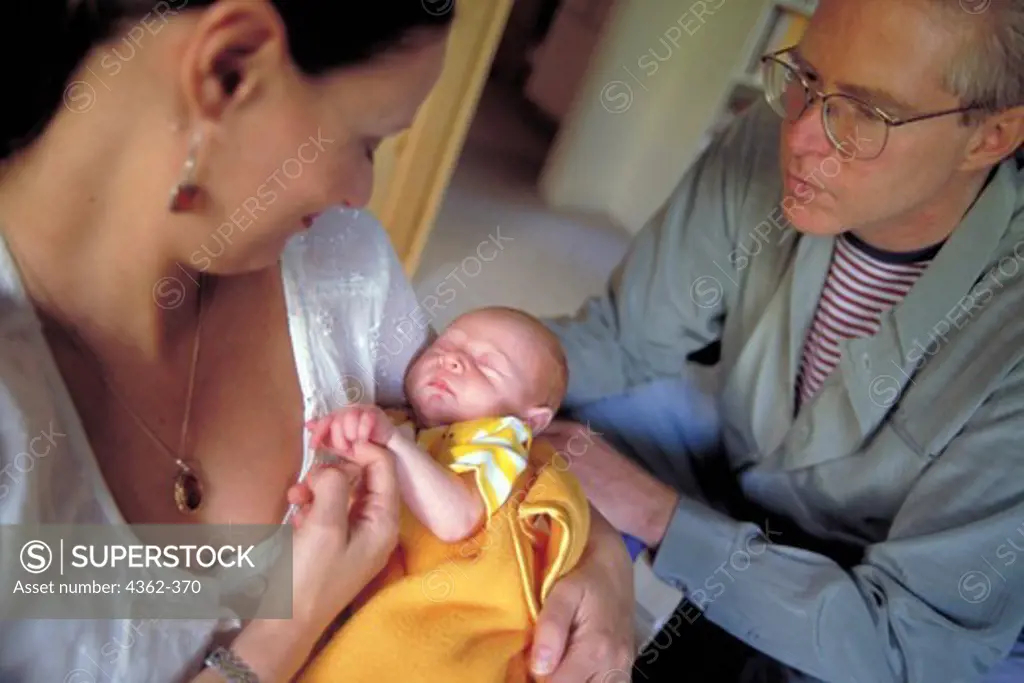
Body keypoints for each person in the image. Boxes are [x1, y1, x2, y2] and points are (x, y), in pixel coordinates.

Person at [0, 2, 634, 682]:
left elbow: (494, 452)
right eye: (365, 141)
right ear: (228, 69)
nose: (363, 194)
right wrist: (285, 629)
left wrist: (605, 564)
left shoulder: (343, 265)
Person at [543, 0, 1024, 681]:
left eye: (865, 111)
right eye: (804, 74)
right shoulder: (765, 142)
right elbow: (621, 342)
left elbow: (915, 644)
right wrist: (500, 364)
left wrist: (656, 517)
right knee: (556, 421)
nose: (799, 134)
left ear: (991, 135)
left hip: (916, 635)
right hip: (756, 506)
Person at [297, 306, 591, 683]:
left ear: (529, 422)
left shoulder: (498, 440)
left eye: (487, 366)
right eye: (446, 346)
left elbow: (457, 519)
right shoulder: (406, 425)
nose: (452, 360)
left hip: (455, 617)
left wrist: (391, 444)